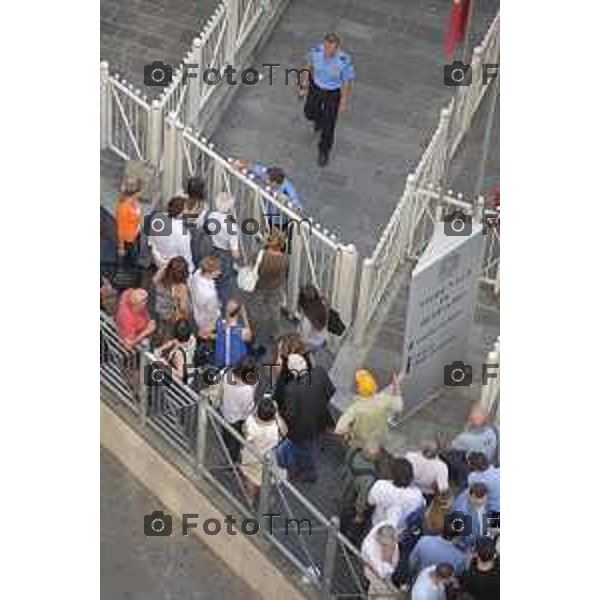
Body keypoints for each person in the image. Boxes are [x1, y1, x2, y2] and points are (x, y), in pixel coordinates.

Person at [276, 353, 336, 481]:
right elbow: (331, 391)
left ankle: (309, 474)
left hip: (303, 430)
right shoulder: (320, 372)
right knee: (312, 442)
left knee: (304, 451)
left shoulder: (291, 388)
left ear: (293, 371)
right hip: (320, 419)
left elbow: (290, 415)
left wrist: (279, 414)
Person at [299, 33, 356, 166]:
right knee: (309, 112)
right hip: (316, 87)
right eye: (326, 47)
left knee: (329, 124)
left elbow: (346, 82)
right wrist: (303, 84)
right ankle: (318, 119)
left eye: (332, 49)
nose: (328, 51)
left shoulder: (343, 61)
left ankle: (324, 151)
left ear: (337, 49)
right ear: (323, 45)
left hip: (333, 92)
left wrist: (343, 100)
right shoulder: (316, 51)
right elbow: (307, 67)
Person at [334, 370, 405, 449]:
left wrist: (350, 432)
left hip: (361, 442)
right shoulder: (383, 399)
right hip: (378, 438)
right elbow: (399, 406)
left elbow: (339, 430)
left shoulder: (355, 409)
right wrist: (397, 383)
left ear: (359, 389)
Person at [241, 397, 287, 503]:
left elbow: (244, 430)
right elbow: (285, 431)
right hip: (268, 459)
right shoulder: (274, 430)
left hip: (252, 456)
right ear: (272, 416)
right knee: (265, 480)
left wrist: (253, 414)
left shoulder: (250, 422)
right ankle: (265, 499)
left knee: (251, 478)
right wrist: (277, 415)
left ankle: (250, 498)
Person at [198, 192, 240, 305]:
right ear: (230, 207)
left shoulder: (211, 216)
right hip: (225, 255)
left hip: (211, 250)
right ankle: (221, 305)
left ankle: (209, 299)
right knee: (224, 283)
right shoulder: (231, 226)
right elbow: (235, 253)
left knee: (211, 276)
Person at [249, 230, 288, 345]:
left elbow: (253, 264)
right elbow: (283, 275)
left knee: (256, 308)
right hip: (275, 288)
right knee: (275, 310)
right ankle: (275, 333)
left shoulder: (261, 255)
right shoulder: (284, 259)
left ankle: (253, 330)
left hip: (260, 286)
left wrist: (261, 245)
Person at [338, 441, 382, 543]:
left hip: (346, 483)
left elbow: (346, 461)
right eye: (377, 455)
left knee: (343, 508)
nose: (379, 456)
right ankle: (346, 539)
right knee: (349, 517)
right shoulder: (369, 477)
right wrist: (359, 514)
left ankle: (340, 530)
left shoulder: (353, 451)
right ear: (372, 457)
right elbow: (362, 497)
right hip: (353, 497)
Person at [367, 457, 425, 533]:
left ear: (392, 474)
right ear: (411, 476)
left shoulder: (380, 485)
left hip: (377, 523)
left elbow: (370, 501)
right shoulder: (417, 495)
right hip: (398, 531)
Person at [220, 356, 258, 464]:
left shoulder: (226, 374)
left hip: (225, 413)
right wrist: (253, 389)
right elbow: (248, 410)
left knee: (226, 437)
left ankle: (227, 452)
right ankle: (232, 463)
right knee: (235, 444)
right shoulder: (246, 390)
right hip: (238, 421)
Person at [151, 256, 192, 345]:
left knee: (160, 330)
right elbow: (183, 308)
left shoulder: (161, 279)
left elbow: (154, 280)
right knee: (170, 335)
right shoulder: (181, 287)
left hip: (160, 310)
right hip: (172, 316)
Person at [147, 196, 194, 272]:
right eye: (187, 209)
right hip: (175, 269)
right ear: (182, 212)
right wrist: (191, 271)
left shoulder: (157, 219)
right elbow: (186, 256)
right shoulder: (182, 232)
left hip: (159, 263)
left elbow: (151, 243)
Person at [360, 522, 399, 599]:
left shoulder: (394, 545)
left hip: (384, 574)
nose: (385, 548)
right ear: (378, 539)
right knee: (380, 590)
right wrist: (386, 560)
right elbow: (380, 572)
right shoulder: (371, 548)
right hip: (373, 570)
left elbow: (393, 564)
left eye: (388, 545)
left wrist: (388, 560)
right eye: (383, 545)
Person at [155, 319, 197, 385]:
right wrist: (161, 348)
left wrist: (165, 363)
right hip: (191, 374)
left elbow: (180, 375)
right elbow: (174, 341)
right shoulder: (192, 339)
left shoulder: (178, 354)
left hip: (185, 384)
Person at [189, 255, 222, 339]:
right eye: (217, 271)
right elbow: (212, 312)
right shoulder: (210, 295)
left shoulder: (197, 273)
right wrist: (218, 314)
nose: (219, 272)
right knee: (206, 331)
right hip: (206, 318)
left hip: (197, 310)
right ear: (209, 272)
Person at [213, 299, 252, 370]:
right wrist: (244, 316)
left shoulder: (219, 324)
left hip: (220, 366)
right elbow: (250, 336)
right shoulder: (242, 331)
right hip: (236, 368)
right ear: (238, 313)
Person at [451, 483, 489, 551]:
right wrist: (468, 548)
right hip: (469, 547)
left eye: (483, 498)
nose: (481, 501)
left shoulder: (480, 500)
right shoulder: (462, 513)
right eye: (478, 499)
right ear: (471, 496)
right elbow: (457, 538)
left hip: (482, 536)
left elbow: (484, 514)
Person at [115, 176, 142, 266]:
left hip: (135, 235)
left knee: (134, 257)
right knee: (131, 261)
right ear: (137, 193)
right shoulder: (123, 207)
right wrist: (121, 247)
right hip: (128, 241)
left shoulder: (135, 202)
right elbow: (120, 230)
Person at [297, 284, 327, 355]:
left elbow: (304, 338)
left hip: (313, 342)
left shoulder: (307, 318)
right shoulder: (320, 305)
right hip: (321, 338)